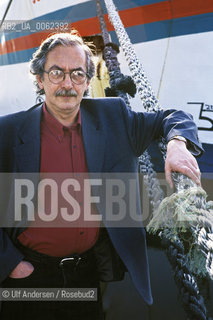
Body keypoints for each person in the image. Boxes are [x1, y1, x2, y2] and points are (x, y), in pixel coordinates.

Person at [0, 31, 203, 320]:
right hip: (29, 276)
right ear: (39, 78)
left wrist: (177, 145)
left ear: (87, 81)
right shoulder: (7, 132)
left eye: (78, 74)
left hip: (87, 271)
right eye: (57, 73)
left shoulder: (114, 117)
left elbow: (173, 118)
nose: (67, 84)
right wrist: (11, 264)